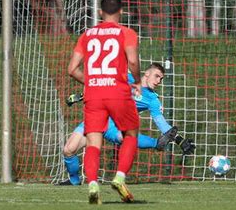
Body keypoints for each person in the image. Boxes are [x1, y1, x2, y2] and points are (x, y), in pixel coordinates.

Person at [59, 63, 196, 186]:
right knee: (68, 150)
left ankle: (157, 144)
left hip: (115, 125)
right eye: (157, 76)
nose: (158, 81)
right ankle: (74, 180)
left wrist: (180, 140)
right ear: (146, 74)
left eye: (161, 79)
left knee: (123, 137)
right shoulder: (126, 78)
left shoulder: (152, 100)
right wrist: (81, 96)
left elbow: (161, 122)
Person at [68, 0, 141, 204]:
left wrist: (91, 81)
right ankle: (119, 177)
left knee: (93, 141)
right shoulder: (126, 32)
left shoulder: (87, 34)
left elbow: (72, 69)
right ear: (121, 12)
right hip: (117, 91)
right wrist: (136, 81)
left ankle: (92, 183)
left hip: (94, 94)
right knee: (130, 132)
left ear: (100, 12)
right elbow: (133, 61)